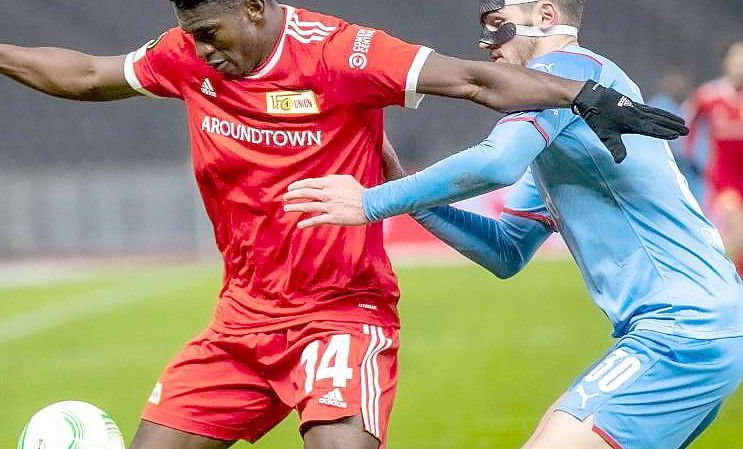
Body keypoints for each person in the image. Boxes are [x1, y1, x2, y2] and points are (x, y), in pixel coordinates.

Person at [0, 1, 687, 448]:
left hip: (341, 314)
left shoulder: (342, 52)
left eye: (211, 31)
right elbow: (85, 75)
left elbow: (473, 77)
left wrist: (582, 92)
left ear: (260, 8)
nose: (200, 52)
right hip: (240, 320)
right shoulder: (187, 55)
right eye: (189, 34)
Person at [283, 1, 743, 448]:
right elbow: (506, 251)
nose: (486, 42)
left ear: (546, 16)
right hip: (695, 327)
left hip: (683, 329)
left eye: (499, 25)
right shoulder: (560, 126)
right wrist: (412, 197)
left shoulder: (566, 72)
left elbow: (496, 163)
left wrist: (371, 202)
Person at [685, 42, 743, 276]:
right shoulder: (709, 96)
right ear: (726, 64)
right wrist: (690, 157)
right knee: (739, 232)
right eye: (737, 61)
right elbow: (689, 124)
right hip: (725, 179)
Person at [648, 66, 703, 204]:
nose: (678, 84)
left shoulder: (697, 107)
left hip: (693, 180)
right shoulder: (656, 107)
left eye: (682, 79)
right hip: (663, 177)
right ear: (665, 81)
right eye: (674, 79)